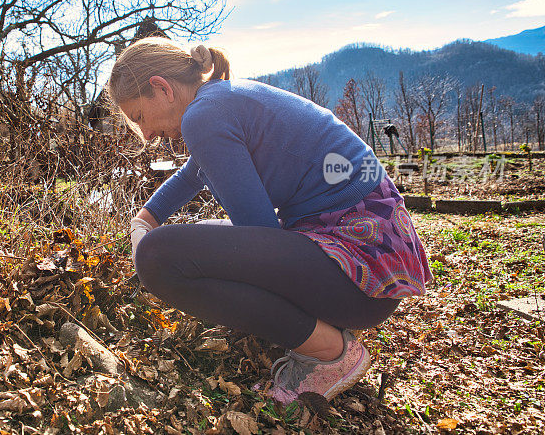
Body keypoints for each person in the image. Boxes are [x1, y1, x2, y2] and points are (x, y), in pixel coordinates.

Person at [106, 37, 431, 405]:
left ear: (161, 88)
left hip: (355, 273)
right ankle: (317, 334)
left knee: (158, 258)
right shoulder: (219, 98)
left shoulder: (204, 116)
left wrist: (149, 244)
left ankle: (331, 354)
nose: (146, 135)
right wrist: (144, 219)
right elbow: (194, 173)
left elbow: (259, 233)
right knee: (183, 244)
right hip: (370, 265)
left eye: (140, 118)